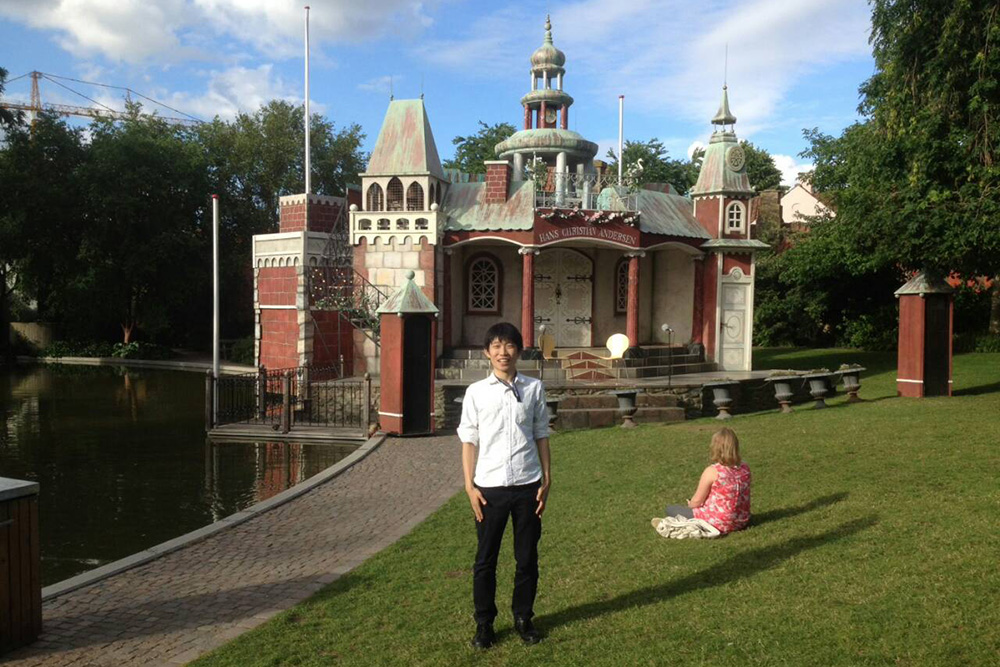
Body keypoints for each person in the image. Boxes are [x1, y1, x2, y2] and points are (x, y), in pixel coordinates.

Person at [457, 322, 551, 649]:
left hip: (528, 485)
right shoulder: (476, 393)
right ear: (487, 352)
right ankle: (485, 624)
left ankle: (524, 617)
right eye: (496, 346)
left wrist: (547, 478)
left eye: (509, 346)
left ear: (519, 351)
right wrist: (469, 487)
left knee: (526, 558)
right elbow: (469, 440)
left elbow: (541, 433)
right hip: (489, 488)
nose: (503, 352)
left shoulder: (534, 389)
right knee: (486, 560)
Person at [664, 427, 751, 534]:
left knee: (671, 509)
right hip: (741, 521)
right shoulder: (745, 468)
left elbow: (696, 501)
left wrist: (691, 504)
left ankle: (690, 524)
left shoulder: (713, 471)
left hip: (718, 522)